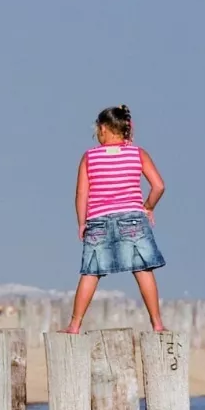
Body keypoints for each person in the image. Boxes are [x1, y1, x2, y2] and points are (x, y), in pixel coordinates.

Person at [66, 104, 166, 334]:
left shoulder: (89, 157)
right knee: (143, 269)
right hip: (132, 218)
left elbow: (82, 193)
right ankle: (157, 324)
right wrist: (148, 207)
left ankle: (74, 324)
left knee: (91, 272)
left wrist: (82, 222)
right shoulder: (138, 154)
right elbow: (159, 186)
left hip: (98, 220)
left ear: (103, 128)